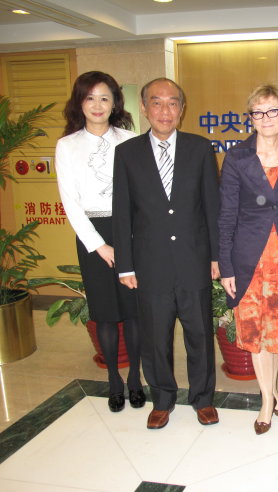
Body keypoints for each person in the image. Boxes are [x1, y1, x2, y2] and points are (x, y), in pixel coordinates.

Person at [112, 78, 221, 430]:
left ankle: (203, 399)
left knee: (200, 335)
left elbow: (212, 208)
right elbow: (122, 212)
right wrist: (125, 265)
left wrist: (217, 257)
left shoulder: (200, 149)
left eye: (172, 103)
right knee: (155, 337)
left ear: (182, 109)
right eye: (156, 103)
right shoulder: (127, 153)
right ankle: (162, 399)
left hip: (194, 260)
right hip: (150, 264)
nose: (164, 110)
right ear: (143, 108)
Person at [218, 84, 278, 435]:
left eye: (273, 111)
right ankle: (267, 402)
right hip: (248, 260)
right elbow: (226, 217)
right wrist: (226, 266)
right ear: (251, 117)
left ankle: (273, 395)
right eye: (258, 112)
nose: (266, 118)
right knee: (257, 332)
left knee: (276, 332)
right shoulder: (237, 158)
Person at [55, 71, 145, 413]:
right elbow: (70, 203)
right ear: (80, 102)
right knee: (106, 314)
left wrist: (130, 240)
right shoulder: (67, 145)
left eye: (104, 98)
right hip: (91, 234)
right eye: (90, 98)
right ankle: (114, 381)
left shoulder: (130, 138)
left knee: (133, 313)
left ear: (115, 103)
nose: (97, 105)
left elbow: (140, 193)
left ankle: (135, 379)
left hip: (131, 231)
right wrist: (99, 245)